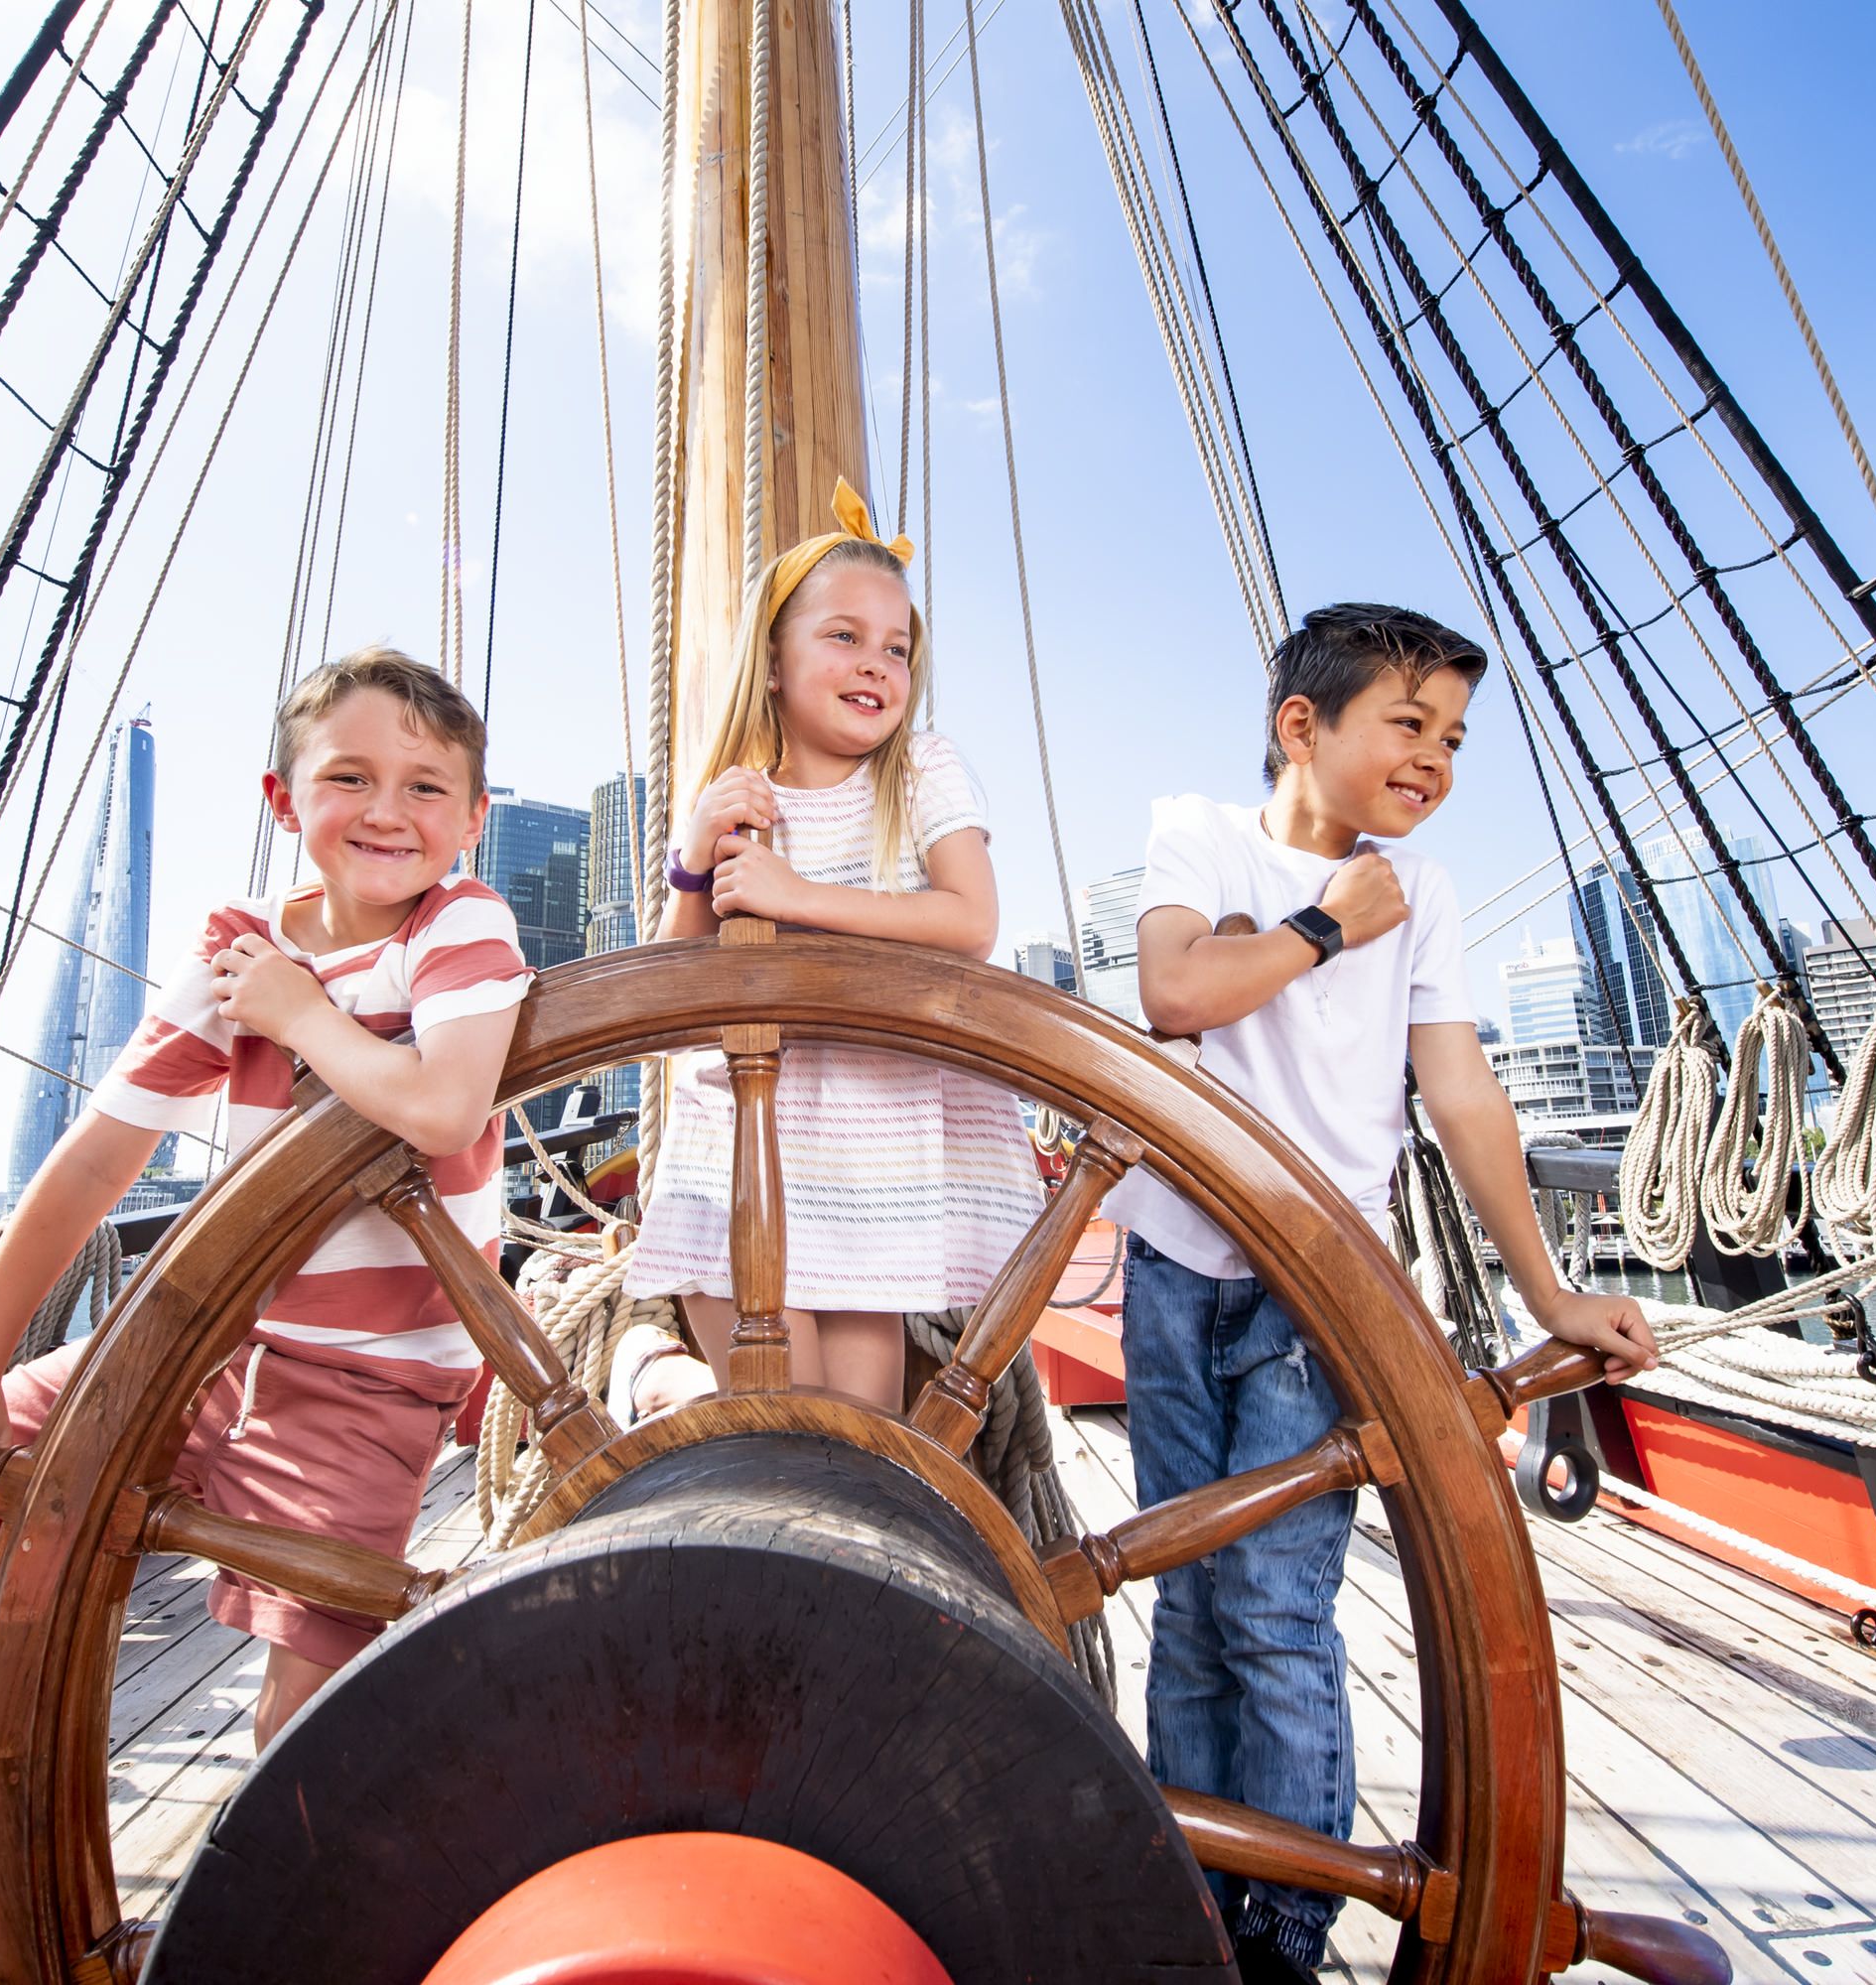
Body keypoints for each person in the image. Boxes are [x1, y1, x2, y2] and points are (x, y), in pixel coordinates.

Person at [0, 648, 529, 1985]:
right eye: (350, 778)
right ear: (282, 797)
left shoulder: (462, 929)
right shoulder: (240, 951)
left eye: (430, 787)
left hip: (368, 1384)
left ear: (474, 817)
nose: (391, 811)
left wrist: (300, 1012)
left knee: (303, 1739)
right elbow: (94, 1158)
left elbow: (442, 1109)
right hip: (201, 1347)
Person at [1109, 602, 1658, 1984]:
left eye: (1455, 738)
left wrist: (1551, 1293)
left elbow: (1461, 1095)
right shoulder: (1204, 835)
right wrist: (1321, 922)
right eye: (1408, 724)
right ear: (1304, 726)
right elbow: (1176, 990)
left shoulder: (1433, 894)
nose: (1436, 760)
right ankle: (1191, 1889)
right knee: (1185, 1598)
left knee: (1273, 1609)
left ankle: (1286, 1930)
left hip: (1324, 1291)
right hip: (1175, 1269)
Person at [626, 479, 1041, 1409]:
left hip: (875, 1162)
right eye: (844, 636)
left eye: (897, 648)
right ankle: (663, 1382)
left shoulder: (921, 770)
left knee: (862, 1441)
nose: (877, 664)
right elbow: (673, 1012)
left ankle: (663, 1386)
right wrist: (695, 863)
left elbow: (969, 917)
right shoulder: (739, 801)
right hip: (743, 1151)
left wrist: (798, 895)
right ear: (772, 662)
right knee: (780, 1428)